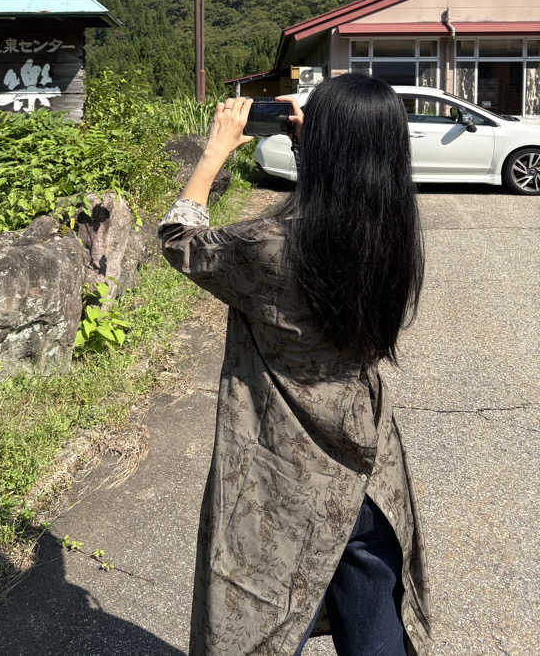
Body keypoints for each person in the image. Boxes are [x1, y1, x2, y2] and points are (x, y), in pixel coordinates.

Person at [157, 73, 433, 656]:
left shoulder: (268, 246)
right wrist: (317, 139)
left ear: (325, 146)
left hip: (280, 478)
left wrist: (215, 150)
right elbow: (342, 187)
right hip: (368, 469)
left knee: (265, 622)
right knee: (374, 623)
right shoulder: (393, 231)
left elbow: (181, 240)